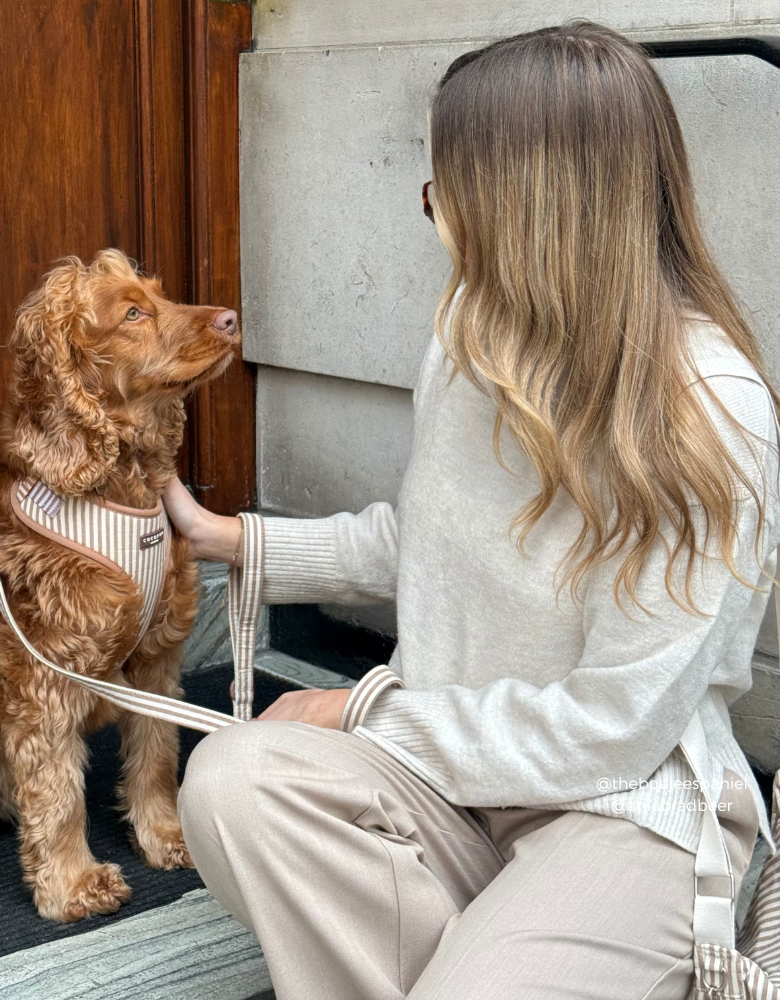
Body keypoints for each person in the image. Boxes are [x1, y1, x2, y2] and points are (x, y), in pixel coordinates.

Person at [163, 21, 780, 1000]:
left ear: (520, 204)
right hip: (455, 786)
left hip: (620, 806)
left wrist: (364, 709)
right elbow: (431, 542)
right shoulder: (472, 339)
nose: (432, 208)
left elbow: (612, 730)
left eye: (441, 185)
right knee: (237, 783)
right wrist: (233, 541)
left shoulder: (710, 405)